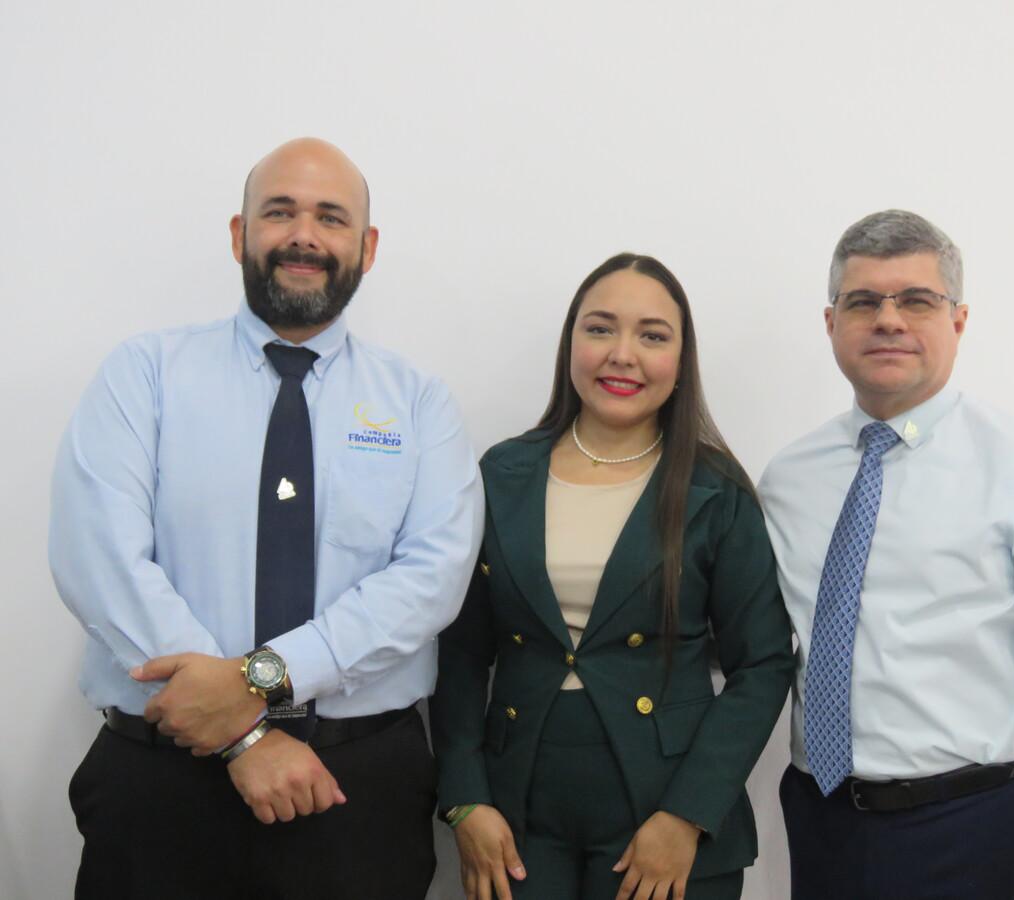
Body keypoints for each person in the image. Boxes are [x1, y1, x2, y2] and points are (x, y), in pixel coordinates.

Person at [49, 137, 484, 899]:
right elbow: (101, 560)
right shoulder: (144, 374)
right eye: (279, 212)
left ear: (368, 247)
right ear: (238, 234)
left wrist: (258, 682)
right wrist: (243, 735)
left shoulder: (420, 404)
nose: (303, 235)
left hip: (354, 792)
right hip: (159, 789)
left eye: (330, 217)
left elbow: (428, 582)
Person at [759, 209, 1014, 899]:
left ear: (958, 321)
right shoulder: (788, 478)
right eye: (864, 301)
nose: (889, 320)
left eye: (917, 301)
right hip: (823, 825)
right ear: (831, 322)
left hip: (980, 827)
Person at [430, 253, 793, 900]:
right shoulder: (500, 475)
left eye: (652, 336)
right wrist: (464, 798)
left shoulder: (716, 489)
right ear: (571, 344)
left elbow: (763, 664)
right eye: (600, 329)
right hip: (517, 818)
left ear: (681, 362)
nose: (622, 354)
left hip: (668, 817)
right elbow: (458, 653)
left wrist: (687, 816)